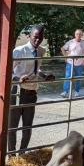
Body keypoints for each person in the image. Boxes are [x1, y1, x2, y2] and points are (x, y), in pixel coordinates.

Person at [8, 25, 55, 153]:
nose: (37, 40)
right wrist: (18, 78)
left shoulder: (41, 51)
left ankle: (22, 152)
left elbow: (36, 67)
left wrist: (44, 75)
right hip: (18, 91)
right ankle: (11, 154)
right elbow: (8, 70)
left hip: (31, 92)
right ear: (30, 36)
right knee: (13, 126)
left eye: (40, 37)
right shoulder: (19, 51)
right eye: (35, 37)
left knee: (27, 126)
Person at [60, 29, 84, 98]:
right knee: (67, 76)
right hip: (70, 62)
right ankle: (65, 91)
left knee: (78, 77)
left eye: (80, 34)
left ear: (82, 35)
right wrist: (65, 57)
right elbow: (63, 48)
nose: (78, 35)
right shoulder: (70, 42)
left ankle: (76, 91)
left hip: (79, 63)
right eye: (77, 34)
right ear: (75, 34)